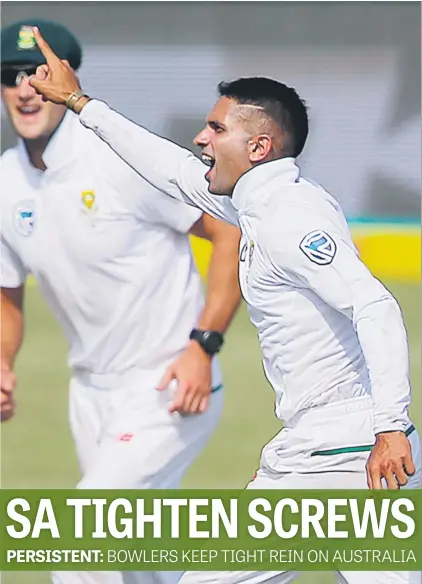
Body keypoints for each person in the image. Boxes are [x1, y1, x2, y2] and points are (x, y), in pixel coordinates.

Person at [28, 27, 421, 584]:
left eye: (216, 128)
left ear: (258, 147)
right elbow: (168, 168)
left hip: (346, 454)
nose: (200, 138)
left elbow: (375, 306)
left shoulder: (291, 216)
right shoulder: (256, 204)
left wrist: (390, 428)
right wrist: (81, 104)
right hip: (316, 450)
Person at [0, 19, 242, 584]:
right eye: (9, 76)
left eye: (38, 71)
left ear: (67, 76)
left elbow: (227, 233)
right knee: (137, 565)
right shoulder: (4, 184)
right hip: (89, 394)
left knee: (81, 541)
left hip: (167, 385)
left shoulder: (118, 155)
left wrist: (203, 347)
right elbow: (7, 294)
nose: (24, 88)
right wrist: (3, 362)